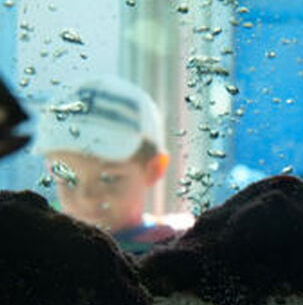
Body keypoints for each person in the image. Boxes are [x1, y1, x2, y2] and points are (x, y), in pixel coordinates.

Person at [33, 74, 189, 248]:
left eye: (109, 178)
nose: (87, 198)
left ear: (154, 169)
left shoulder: (175, 248)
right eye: (67, 179)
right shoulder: (45, 246)